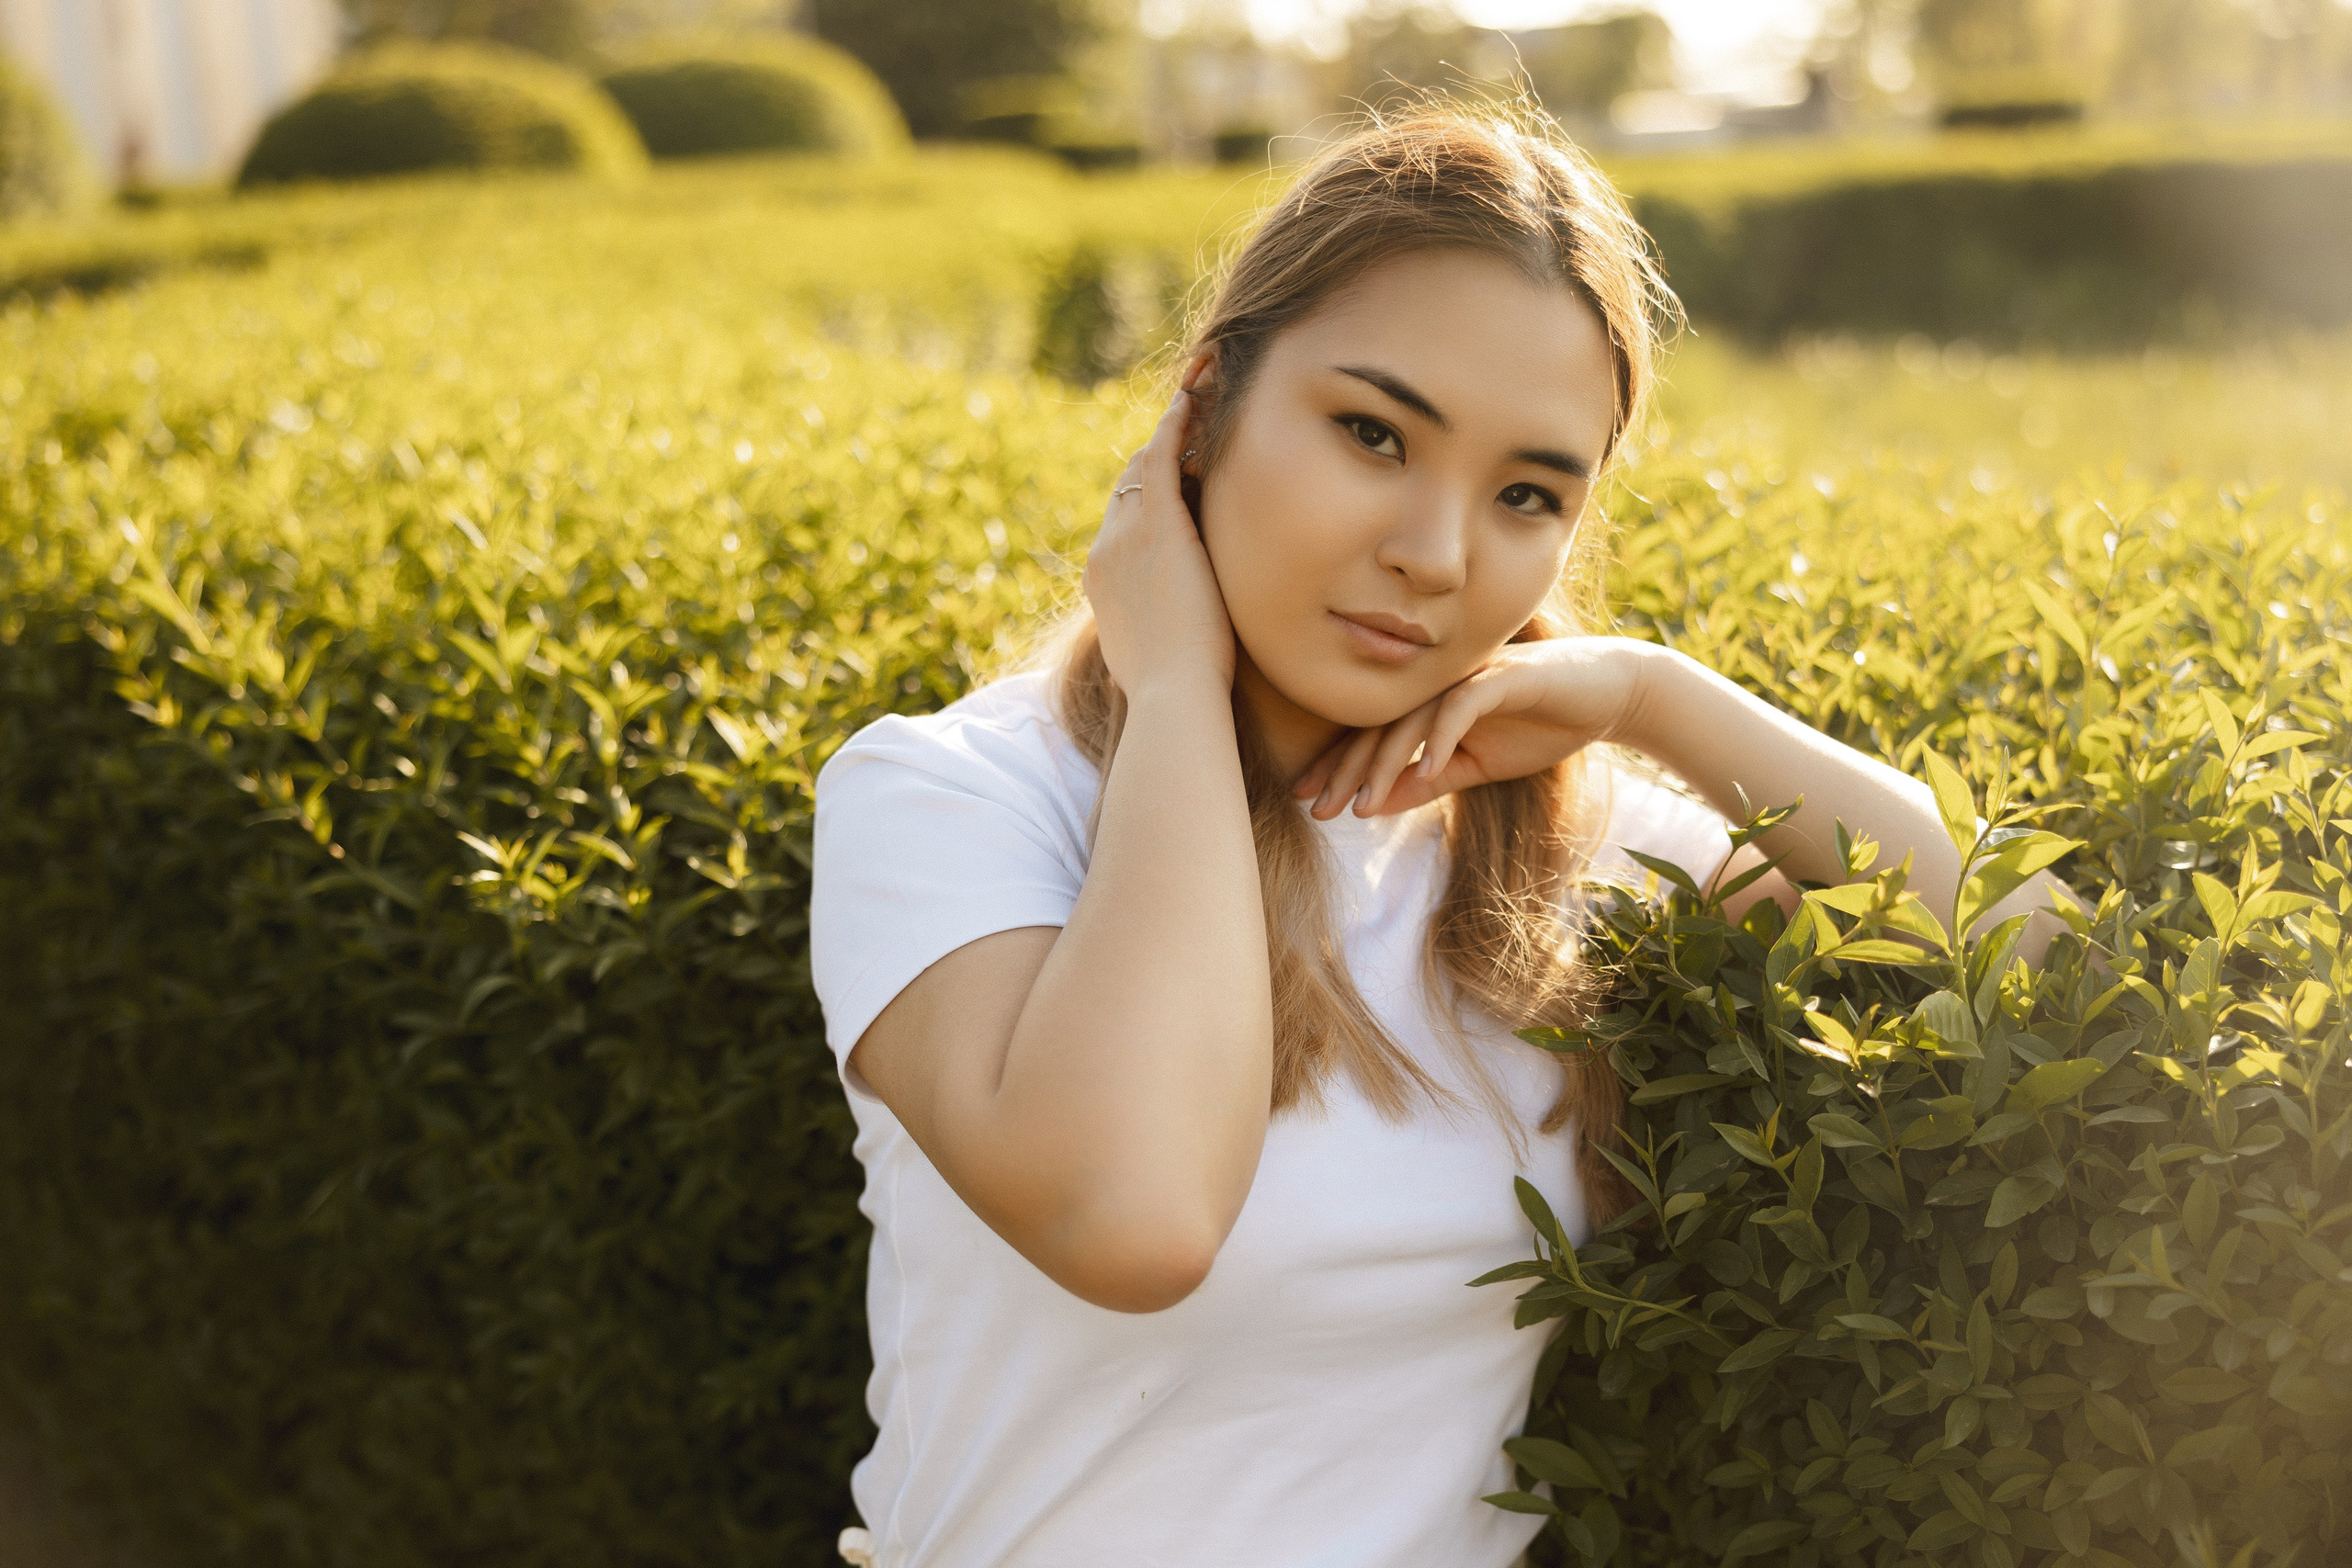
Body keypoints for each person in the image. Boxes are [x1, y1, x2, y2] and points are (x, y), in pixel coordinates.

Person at [808, 104, 2075, 1568]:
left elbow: (2025, 954)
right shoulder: (956, 799)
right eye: (1372, 433)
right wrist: (1171, 690)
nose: (1437, 553)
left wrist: (1659, 698)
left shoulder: (1556, 858)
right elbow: (1136, 1215)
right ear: (1204, 406)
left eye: (1529, 493)